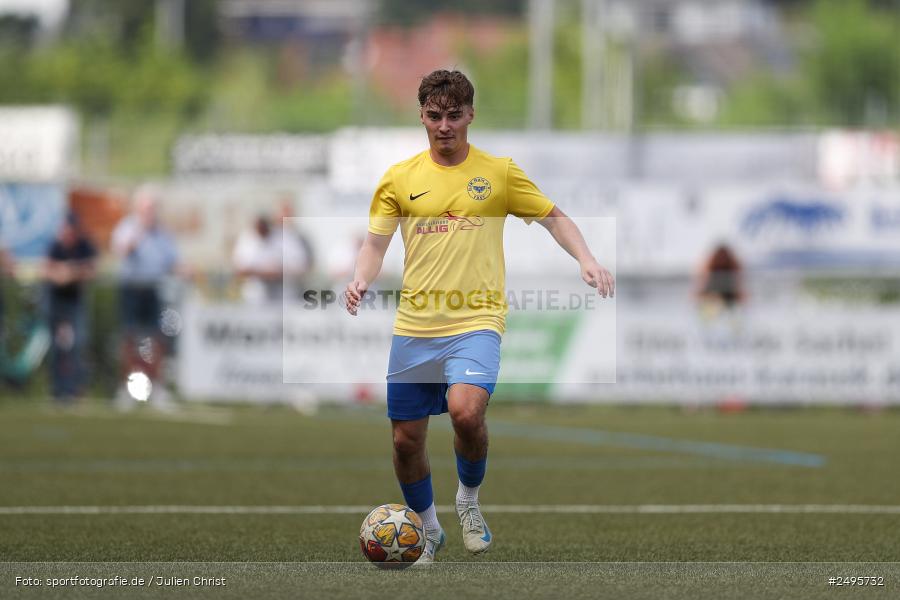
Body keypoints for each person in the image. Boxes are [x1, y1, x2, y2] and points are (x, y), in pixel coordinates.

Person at [343, 70, 615, 564]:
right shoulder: (399, 179)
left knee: (468, 413)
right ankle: (427, 530)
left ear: (470, 114)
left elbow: (554, 215)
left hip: (476, 321)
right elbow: (374, 244)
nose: (443, 126)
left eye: (453, 115)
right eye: (433, 116)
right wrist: (361, 277)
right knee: (406, 441)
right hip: (416, 327)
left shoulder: (500, 173)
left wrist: (587, 258)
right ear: (421, 116)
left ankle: (468, 499)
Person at [111, 185, 179, 399]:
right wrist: (141, 231)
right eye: (147, 208)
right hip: (131, 288)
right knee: (129, 339)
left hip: (153, 289)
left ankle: (156, 388)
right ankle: (128, 389)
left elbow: (172, 261)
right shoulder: (127, 227)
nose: (151, 213)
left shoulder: (163, 233)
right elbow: (122, 250)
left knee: (156, 339)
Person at [42, 213, 97, 402]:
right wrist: (63, 273)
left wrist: (70, 272)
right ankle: (57, 390)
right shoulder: (55, 245)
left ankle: (75, 389)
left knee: (79, 343)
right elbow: (48, 271)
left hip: (75, 302)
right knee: (56, 346)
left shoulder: (84, 245)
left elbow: (91, 270)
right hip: (55, 301)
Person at [695, 243, 746, 311]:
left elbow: (740, 295)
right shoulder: (710, 273)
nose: (722, 260)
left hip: (729, 301)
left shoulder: (733, 273)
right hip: (713, 302)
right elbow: (701, 293)